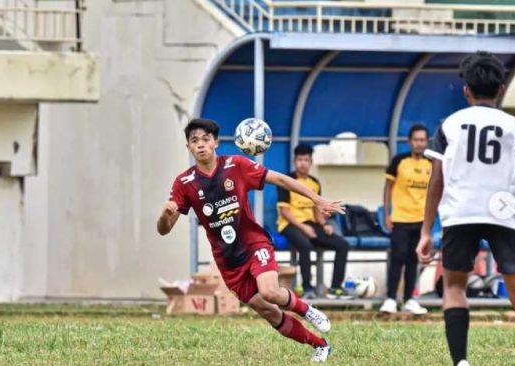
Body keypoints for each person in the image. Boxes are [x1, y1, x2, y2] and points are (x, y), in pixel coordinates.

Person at [157, 119, 344, 362]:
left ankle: (307, 310)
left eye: (205, 139)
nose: (200, 145)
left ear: (215, 142)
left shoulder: (237, 165)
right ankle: (320, 345)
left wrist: (316, 199)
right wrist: (164, 215)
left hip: (254, 244)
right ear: (188, 147)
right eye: (194, 141)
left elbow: (281, 180)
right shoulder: (184, 183)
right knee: (268, 311)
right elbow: (164, 230)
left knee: (270, 292)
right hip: (228, 260)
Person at [417, 52, 515, 366]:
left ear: (466, 91)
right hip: (503, 213)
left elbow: (435, 180)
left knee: (453, 285)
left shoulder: (450, 125)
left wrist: (426, 231)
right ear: (501, 89)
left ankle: (461, 362)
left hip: (460, 213)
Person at [277, 144, 350, 299]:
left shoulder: (314, 182)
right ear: (294, 161)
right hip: (290, 225)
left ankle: (335, 288)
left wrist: (324, 224)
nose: (302, 163)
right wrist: (303, 228)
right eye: (299, 159)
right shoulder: (287, 181)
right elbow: (284, 211)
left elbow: (317, 208)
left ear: (311, 162)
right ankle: (307, 288)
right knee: (305, 245)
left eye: (306, 160)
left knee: (342, 245)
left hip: (311, 224)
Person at [380, 124, 431, 315]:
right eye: (416, 140)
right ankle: (391, 298)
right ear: (410, 141)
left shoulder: (431, 163)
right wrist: (386, 213)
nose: (419, 143)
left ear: (427, 142)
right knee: (398, 257)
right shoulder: (399, 161)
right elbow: (387, 187)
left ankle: (410, 299)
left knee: (413, 259)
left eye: (422, 140)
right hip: (400, 218)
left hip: (421, 220)